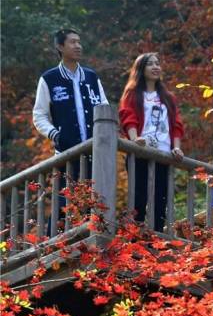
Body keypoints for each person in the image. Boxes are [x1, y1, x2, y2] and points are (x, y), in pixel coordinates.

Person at [32, 28, 108, 235]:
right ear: (60, 46)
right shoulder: (49, 78)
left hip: (95, 151)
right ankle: (52, 246)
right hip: (66, 153)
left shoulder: (91, 77)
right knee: (63, 201)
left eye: (79, 41)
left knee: (94, 201)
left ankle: (91, 241)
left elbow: (104, 107)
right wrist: (55, 135)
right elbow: (39, 115)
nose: (78, 46)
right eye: (73, 42)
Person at [119, 53, 185, 232]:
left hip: (163, 155)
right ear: (141, 69)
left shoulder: (168, 97)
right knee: (138, 199)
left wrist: (176, 148)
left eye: (158, 63)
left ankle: (156, 241)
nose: (156, 67)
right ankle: (135, 241)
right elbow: (128, 116)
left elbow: (176, 124)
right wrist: (134, 140)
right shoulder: (133, 93)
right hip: (141, 152)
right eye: (150, 64)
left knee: (160, 200)